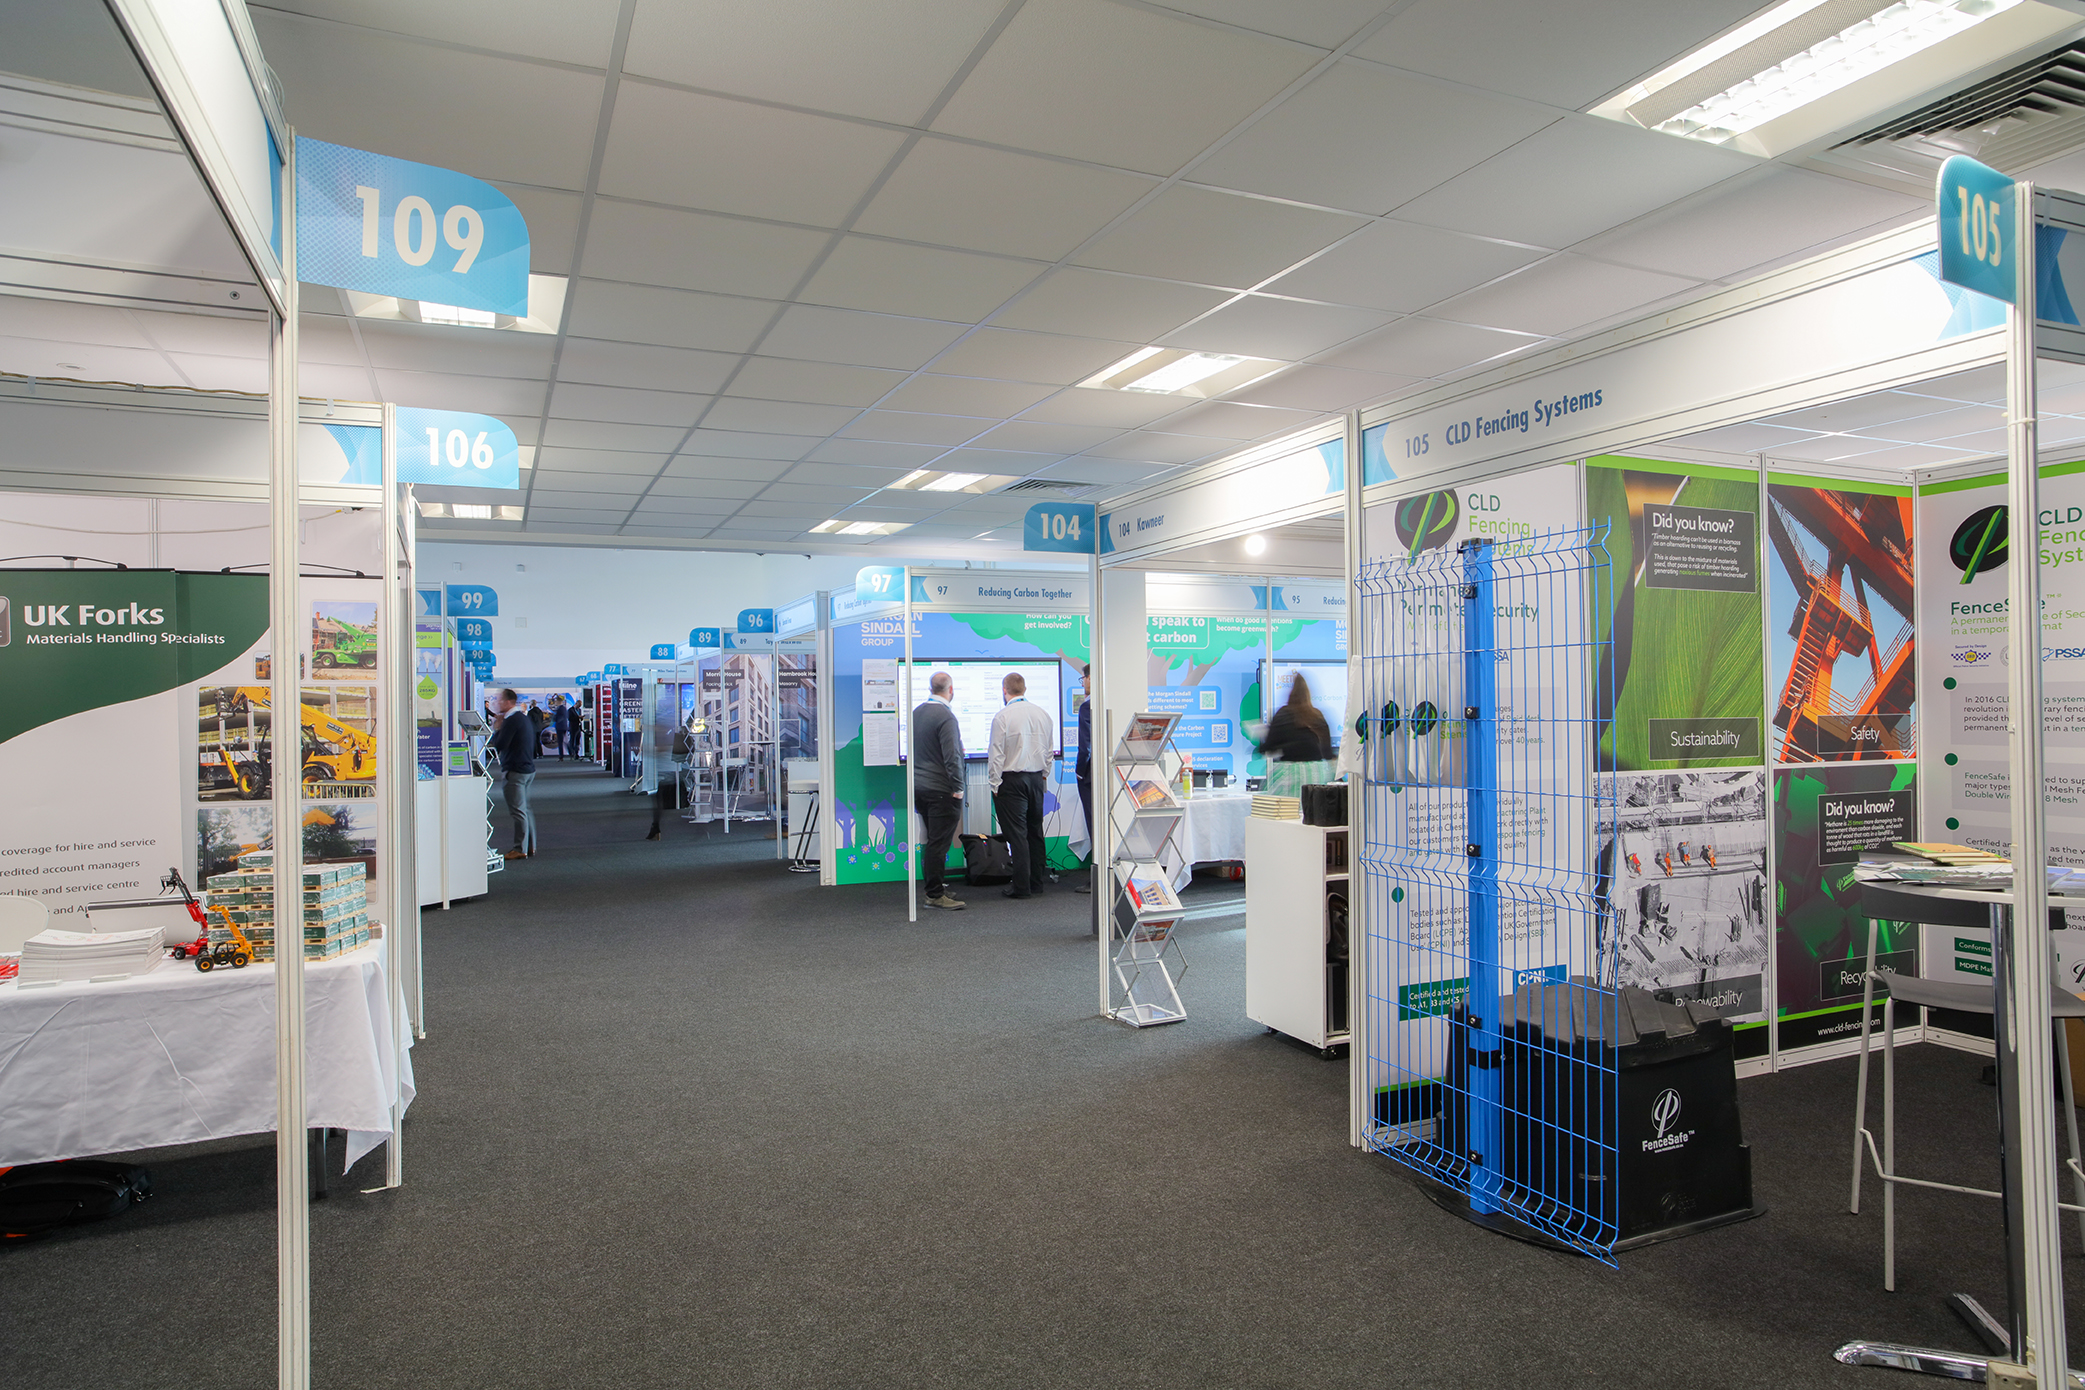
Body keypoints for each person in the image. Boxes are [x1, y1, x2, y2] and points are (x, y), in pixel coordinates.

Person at [986, 671, 1055, 900]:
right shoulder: (1043, 714)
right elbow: (1049, 753)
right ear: (1024, 689)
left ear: (1004, 691)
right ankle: (1037, 883)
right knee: (1035, 832)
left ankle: (1021, 887)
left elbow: (996, 754)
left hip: (1011, 781)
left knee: (1017, 835)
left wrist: (995, 783)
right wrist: (1043, 776)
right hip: (1036, 779)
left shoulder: (1002, 717)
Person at [911, 671, 966, 911]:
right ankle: (934, 894)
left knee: (932, 840)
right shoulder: (945, 717)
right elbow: (952, 755)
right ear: (950, 690)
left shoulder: (917, 712)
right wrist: (958, 787)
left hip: (920, 787)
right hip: (942, 790)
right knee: (938, 844)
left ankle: (936, 887)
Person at [1257, 672, 1333, 800]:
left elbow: (1268, 747)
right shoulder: (1317, 715)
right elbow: (1328, 752)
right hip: (1317, 775)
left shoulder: (1283, 713)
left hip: (1289, 776)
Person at [485, 687, 537, 859]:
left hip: (516, 770)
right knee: (525, 810)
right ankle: (529, 846)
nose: (497, 703)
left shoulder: (511, 720)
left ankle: (520, 848)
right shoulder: (522, 718)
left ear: (509, 702)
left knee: (518, 811)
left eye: (499, 700)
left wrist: (497, 728)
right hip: (526, 769)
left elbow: (500, 745)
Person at [1075, 665, 1093, 898]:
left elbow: (1085, 745)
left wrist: (1080, 772)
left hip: (1091, 776)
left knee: (1095, 825)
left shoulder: (1088, 706)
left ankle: (1097, 880)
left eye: (1084, 678)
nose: (1083, 683)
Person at [549, 696, 569, 763]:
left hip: (560, 727)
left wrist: (555, 719)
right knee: (564, 741)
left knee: (560, 742)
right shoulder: (564, 708)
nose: (555, 703)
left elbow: (559, 718)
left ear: (559, 701)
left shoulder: (560, 709)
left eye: (556, 701)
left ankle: (561, 756)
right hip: (563, 726)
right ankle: (570, 754)